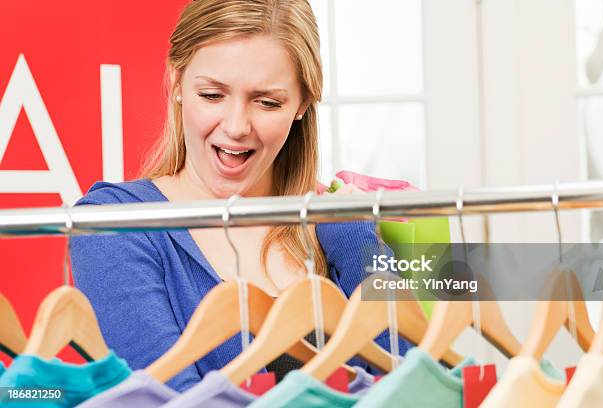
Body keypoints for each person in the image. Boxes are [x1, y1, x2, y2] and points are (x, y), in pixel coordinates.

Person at [70, 0, 410, 392]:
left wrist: (355, 245)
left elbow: (415, 389)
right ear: (177, 82)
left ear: (302, 104)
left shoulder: (342, 228)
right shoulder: (115, 225)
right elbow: (165, 400)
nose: (235, 127)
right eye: (213, 95)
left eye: (267, 102)